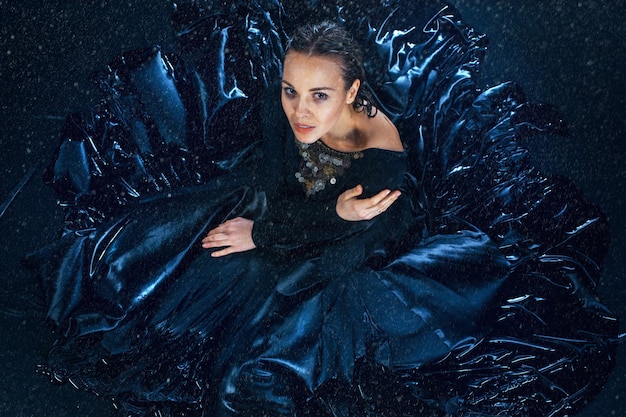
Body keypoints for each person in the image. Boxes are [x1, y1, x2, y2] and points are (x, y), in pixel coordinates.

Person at [26, 2, 619, 417]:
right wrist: (266, 216)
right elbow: (271, 171)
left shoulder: (384, 164)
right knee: (150, 247)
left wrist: (285, 228)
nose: (299, 110)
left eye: (319, 96)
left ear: (354, 94)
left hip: (344, 257)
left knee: (259, 358)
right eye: (291, 90)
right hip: (288, 211)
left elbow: (351, 252)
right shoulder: (282, 101)